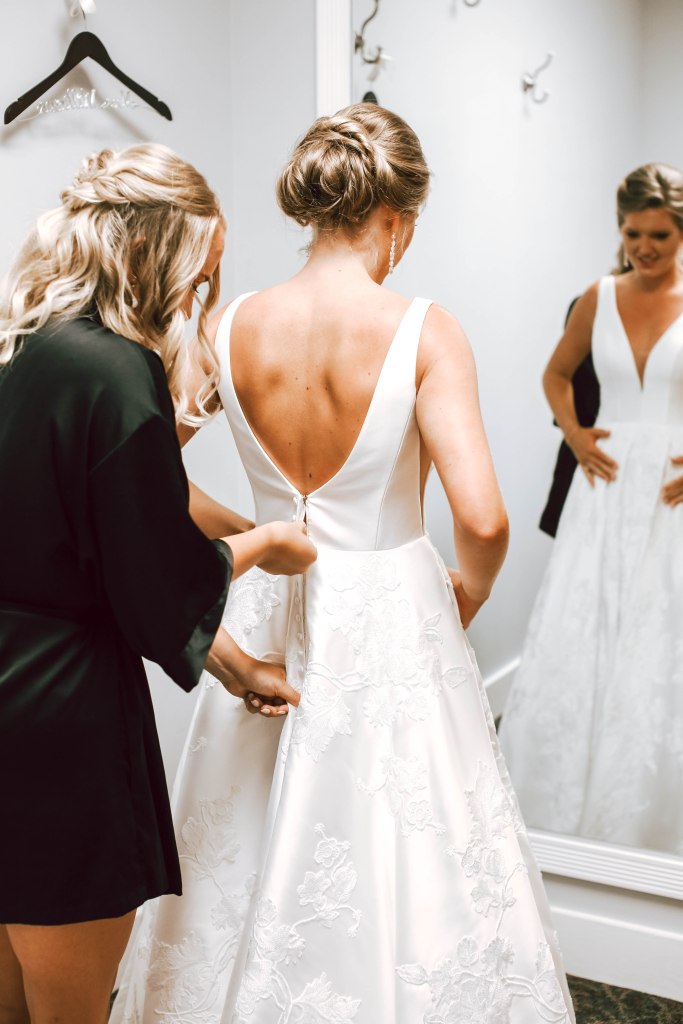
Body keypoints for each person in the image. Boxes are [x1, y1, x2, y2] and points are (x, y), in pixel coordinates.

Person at [112, 106, 575, 1024]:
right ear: (396, 218)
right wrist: (470, 593)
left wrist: (257, 534)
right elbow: (482, 518)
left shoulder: (229, 325)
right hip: (392, 613)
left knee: (245, 827)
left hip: (265, 614)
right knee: (407, 842)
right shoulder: (424, 330)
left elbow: (148, 475)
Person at [0, 144, 316, 1024]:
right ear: (155, 251)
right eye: (201, 272)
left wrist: (236, 667)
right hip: (63, 713)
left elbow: (120, 514)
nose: (201, 293)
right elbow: (148, 578)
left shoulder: (22, 346)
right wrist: (261, 543)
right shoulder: (116, 370)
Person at [500, 163, 683, 852]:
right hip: (602, 485)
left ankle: (646, 811)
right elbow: (554, 373)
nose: (644, 248)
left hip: (670, 491)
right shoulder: (598, 296)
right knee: (585, 626)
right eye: (633, 234)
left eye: (659, 235)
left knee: (658, 632)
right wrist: (575, 434)